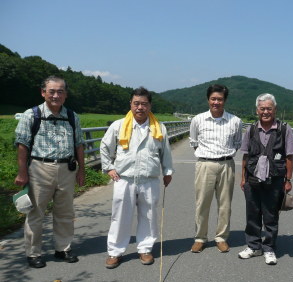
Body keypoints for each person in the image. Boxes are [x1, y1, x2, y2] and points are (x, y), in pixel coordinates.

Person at [14, 76, 85, 268]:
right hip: (39, 168)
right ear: (43, 92)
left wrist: (81, 170)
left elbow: (79, 144)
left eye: (60, 91)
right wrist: (22, 173)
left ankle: (63, 248)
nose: (56, 95)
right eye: (51, 91)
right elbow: (22, 145)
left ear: (66, 95)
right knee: (36, 212)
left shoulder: (72, 116)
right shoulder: (32, 115)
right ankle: (33, 253)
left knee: (65, 211)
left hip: (67, 169)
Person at [100, 87, 173, 269]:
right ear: (130, 104)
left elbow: (166, 153)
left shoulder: (159, 127)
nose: (140, 107)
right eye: (136, 103)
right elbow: (104, 147)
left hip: (150, 178)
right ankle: (115, 252)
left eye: (144, 104)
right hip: (124, 179)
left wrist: (167, 172)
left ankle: (145, 248)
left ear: (150, 105)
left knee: (149, 215)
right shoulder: (118, 125)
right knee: (120, 216)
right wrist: (109, 167)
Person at [238, 93, 293, 265]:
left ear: (275, 110)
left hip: (275, 179)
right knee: (252, 213)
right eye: (262, 108)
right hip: (252, 179)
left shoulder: (284, 129)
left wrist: (288, 180)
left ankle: (269, 248)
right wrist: (243, 178)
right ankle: (253, 246)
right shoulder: (251, 129)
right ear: (257, 110)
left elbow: (290, 156)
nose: (265, 112)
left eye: (269, 109)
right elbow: (245, 156)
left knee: (271, 215)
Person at [189, 84, 242, 253]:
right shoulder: (198, 120)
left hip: (227, 164)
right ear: (208, 100)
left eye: (220, 99)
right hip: (205, 164)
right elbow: (193, 142)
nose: (216, 102)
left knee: (225, 204)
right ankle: (200, 237)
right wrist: (204, 155)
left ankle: (221, 237)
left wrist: (227, 155)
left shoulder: (235, 121)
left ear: (225, 100)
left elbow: (238, 143)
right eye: (213, 99)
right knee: (202, 203)